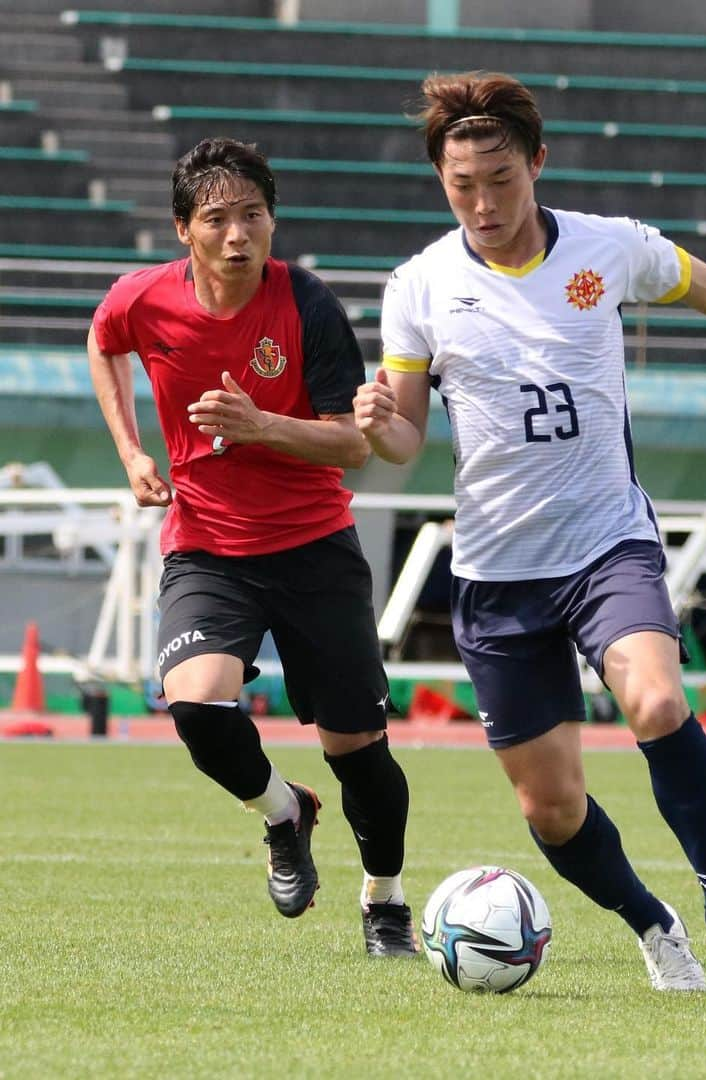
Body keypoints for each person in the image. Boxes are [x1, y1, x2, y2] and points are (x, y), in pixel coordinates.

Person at [353, 73, 706, 991]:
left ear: (538, 165)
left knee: (659, 705)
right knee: (552, 810)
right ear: (440, 180)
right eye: (462, 185)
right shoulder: (419, 287)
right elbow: (401, 440)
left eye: (501, 179)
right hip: (497, 572)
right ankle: (655, 922)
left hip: (606, 545)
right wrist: (373, 421)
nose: (482, 202)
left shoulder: (609, 248)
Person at [88, 137, 417, 957]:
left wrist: (260, 426)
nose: (238, 234)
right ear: (183, 231)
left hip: (314, 547)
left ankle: (385, 903)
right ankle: (282, 811)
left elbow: (353, 447)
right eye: (217, 219)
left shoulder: (308, 306)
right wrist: (132, 452)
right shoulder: (145, 299)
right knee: (196, 703)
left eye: (253, 216)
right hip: (206, 547)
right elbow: (103, 341)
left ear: (273, 222)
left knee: (357, 751)